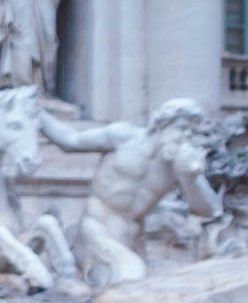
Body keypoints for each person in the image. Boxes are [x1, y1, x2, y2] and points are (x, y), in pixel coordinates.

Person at [40, 98, 222, 286]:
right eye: (182, 128)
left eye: (191, 132)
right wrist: (37, 113)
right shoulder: (124, 136)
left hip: (132, 242)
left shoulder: (178, 163)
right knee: (130, 277)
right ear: (162, 123)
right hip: (96, 231)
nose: (186, 136)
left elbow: (209, 209)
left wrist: (191, 178)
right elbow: (71, 140)